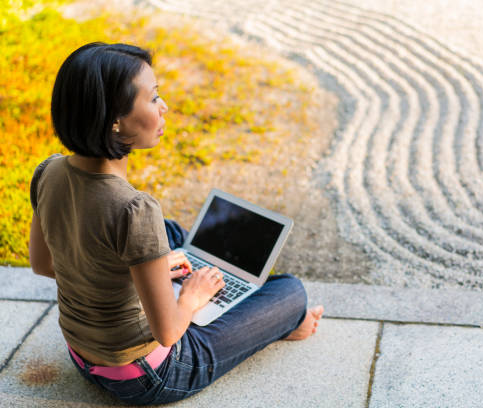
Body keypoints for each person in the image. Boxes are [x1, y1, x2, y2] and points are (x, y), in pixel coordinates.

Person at [28, 42, 324, 405]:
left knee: (170, 235)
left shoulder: (49, 171)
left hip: (82, 355)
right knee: (291, 293)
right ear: (114, 122)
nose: (164, 106)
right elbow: (167, 333)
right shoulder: (134, 208)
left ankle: (184, 272)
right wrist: (191, 297)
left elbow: (43, 265)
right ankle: (284, 324)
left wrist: (129, 274)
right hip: (148, 376)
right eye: (153, 99)